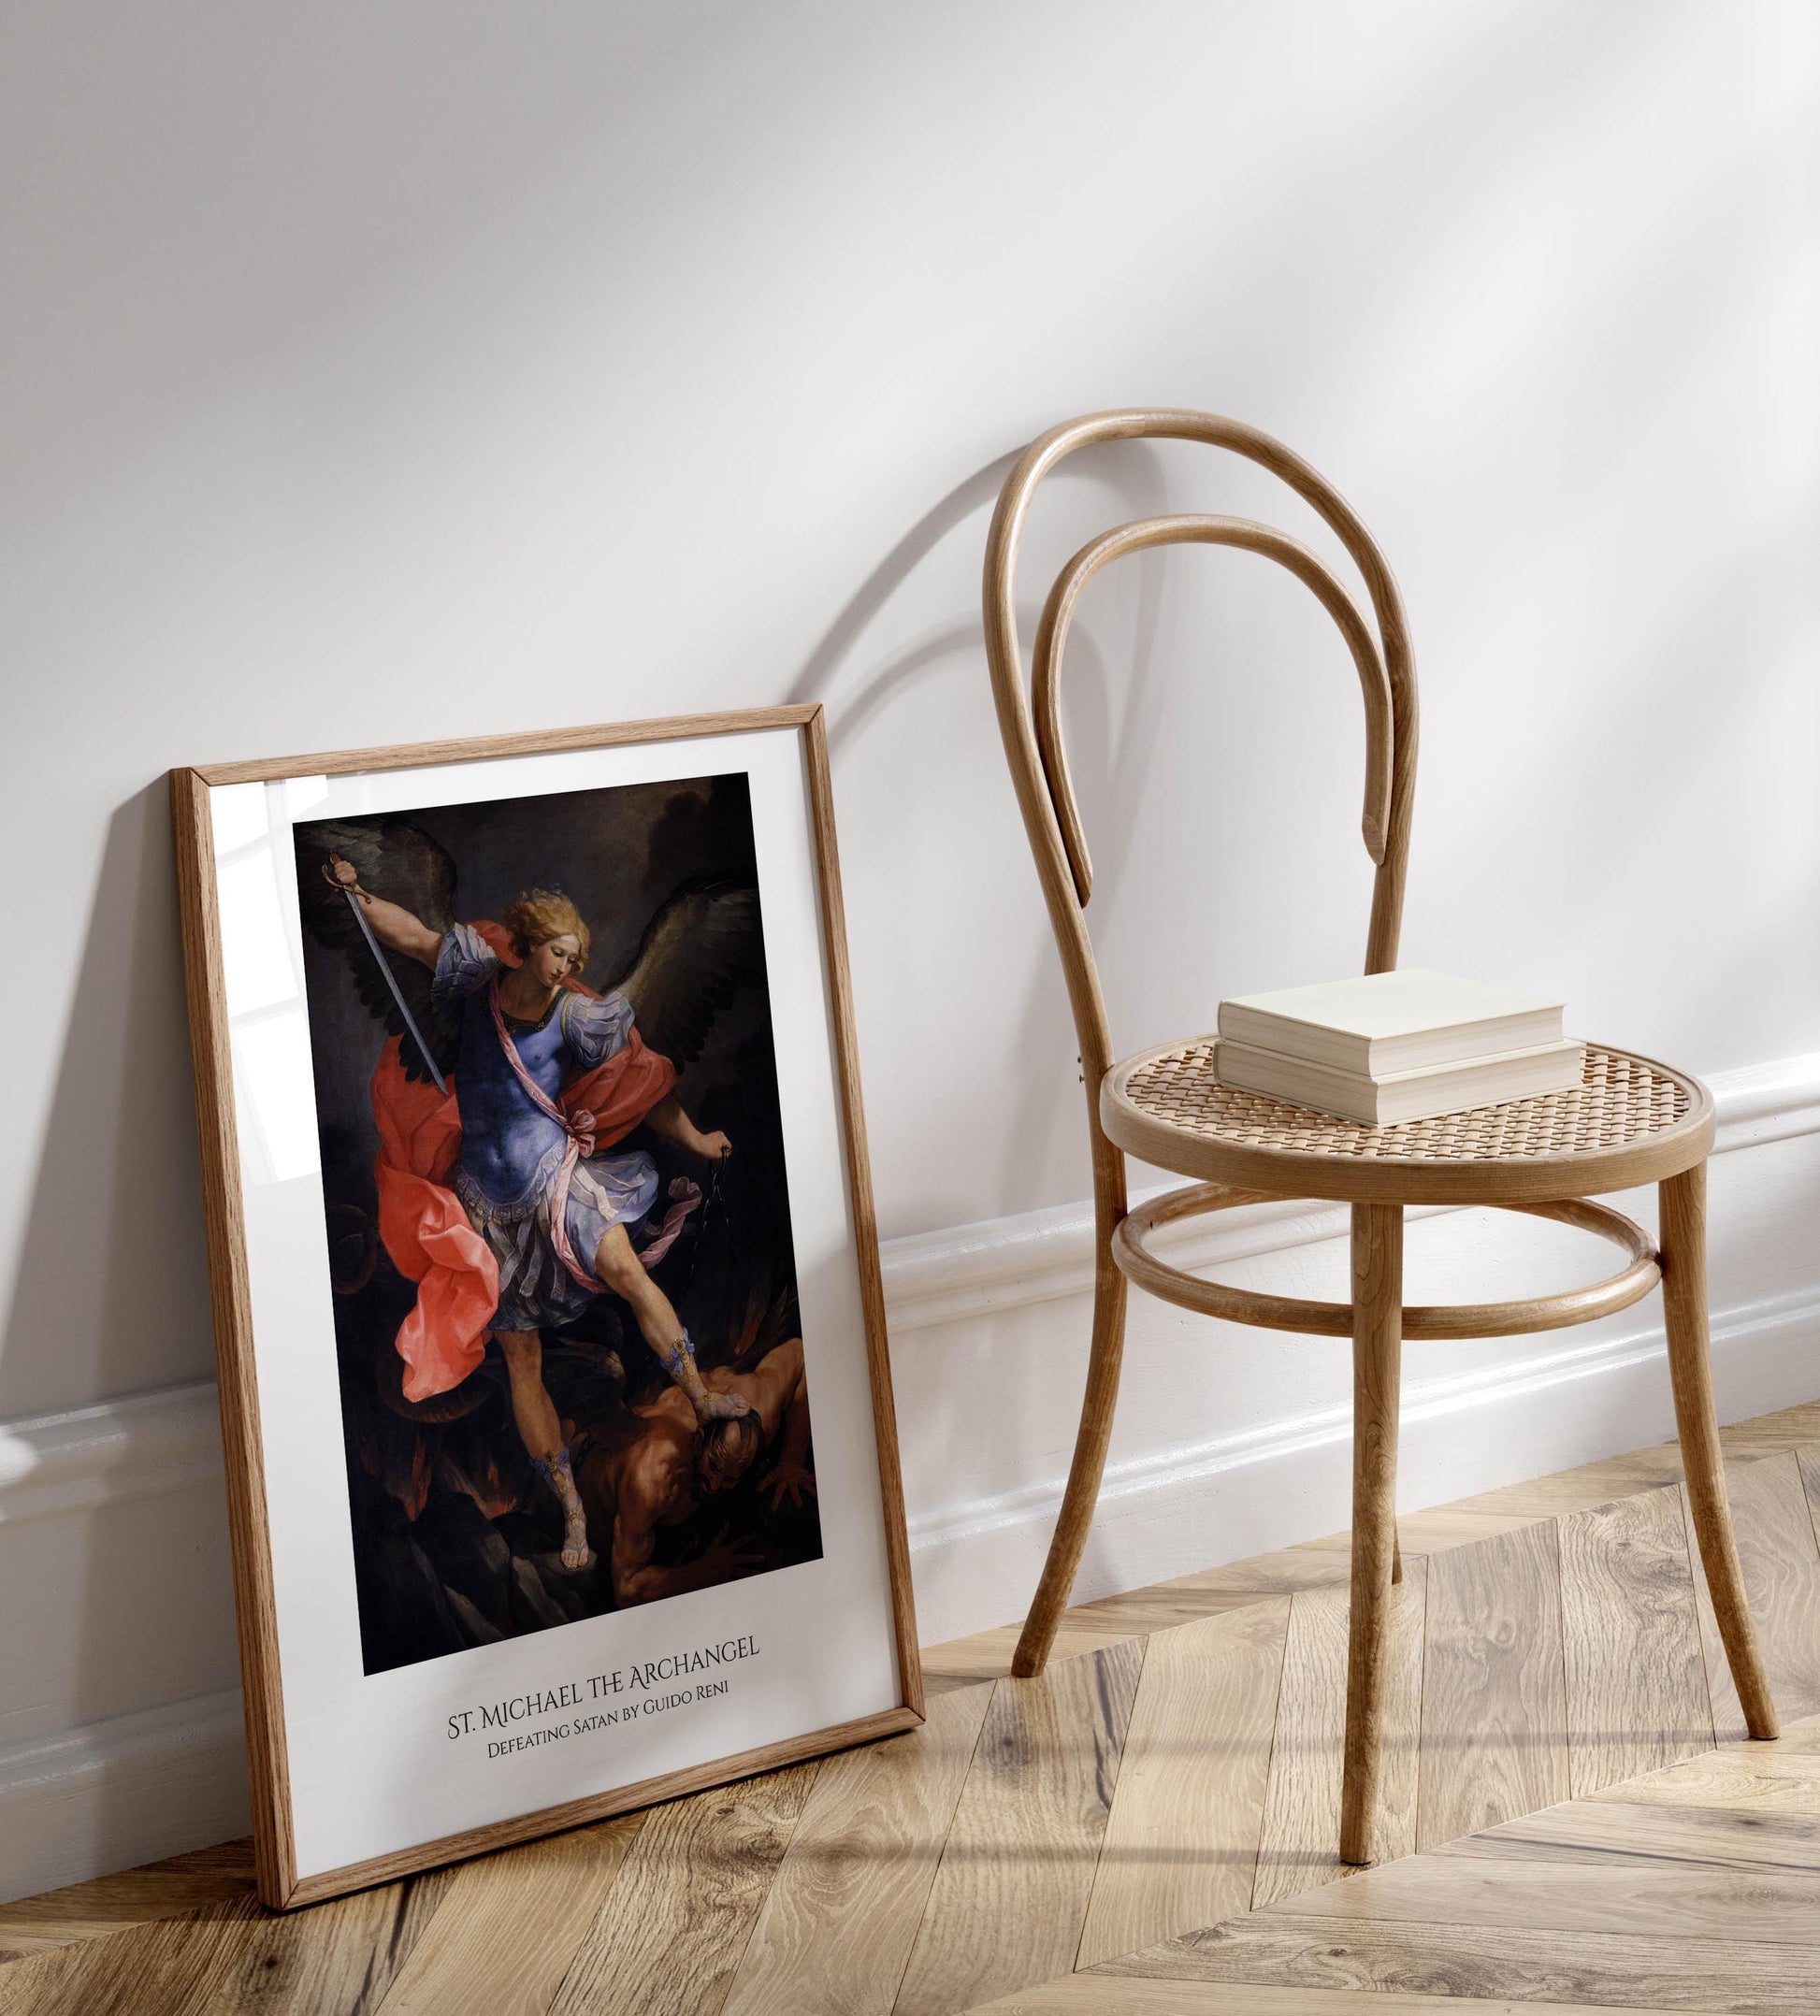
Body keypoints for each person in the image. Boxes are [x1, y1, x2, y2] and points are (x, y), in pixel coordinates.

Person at [325, 857, 744, 1573]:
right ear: (527, 943)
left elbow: (641, 1086)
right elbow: (413, 938)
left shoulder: (577, 1015)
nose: (568, 967)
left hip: (559, 1185)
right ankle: (573, 1513)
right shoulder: (470, 982)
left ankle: (702, 1397)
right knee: (523, 1359)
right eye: (560, 953)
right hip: (489, 1211)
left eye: (577, 958)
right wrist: (358, 893)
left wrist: (698, 1139)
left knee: (633, 1279)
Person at [575, 1336, 814, 1606]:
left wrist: (791, 1459)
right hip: (587, 1486)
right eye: (713, 1466)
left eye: (731, 1476)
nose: (714, 1484)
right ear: (699, 1441)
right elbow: (627, 1589)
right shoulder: (653, 1473)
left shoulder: (759, 1409)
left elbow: (800, 1353)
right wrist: (702, 1573)